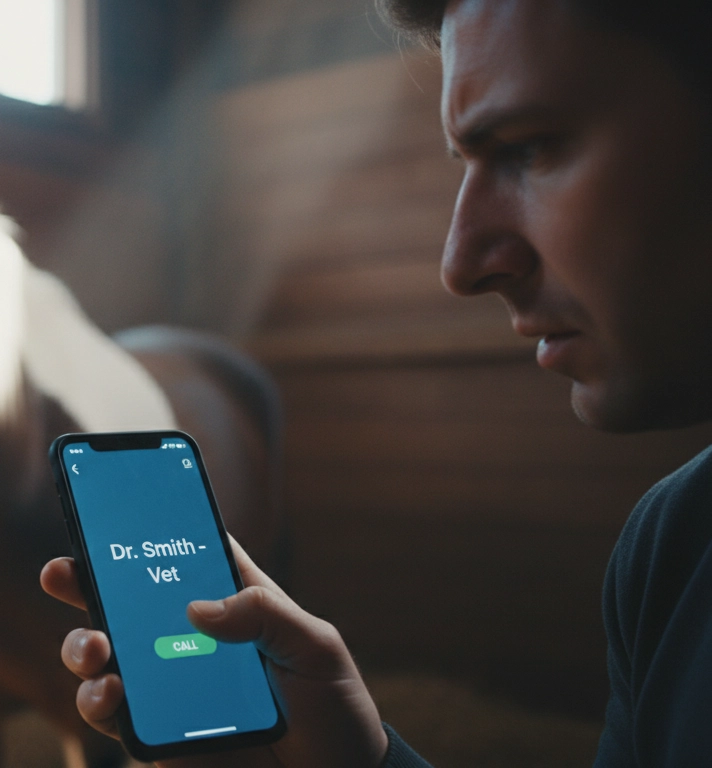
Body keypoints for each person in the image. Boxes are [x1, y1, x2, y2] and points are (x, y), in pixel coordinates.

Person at [39, 0, 712, 764]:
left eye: (531, 147)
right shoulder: (671, 549)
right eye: (465, 164)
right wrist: (356, 759)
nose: (461, 263)